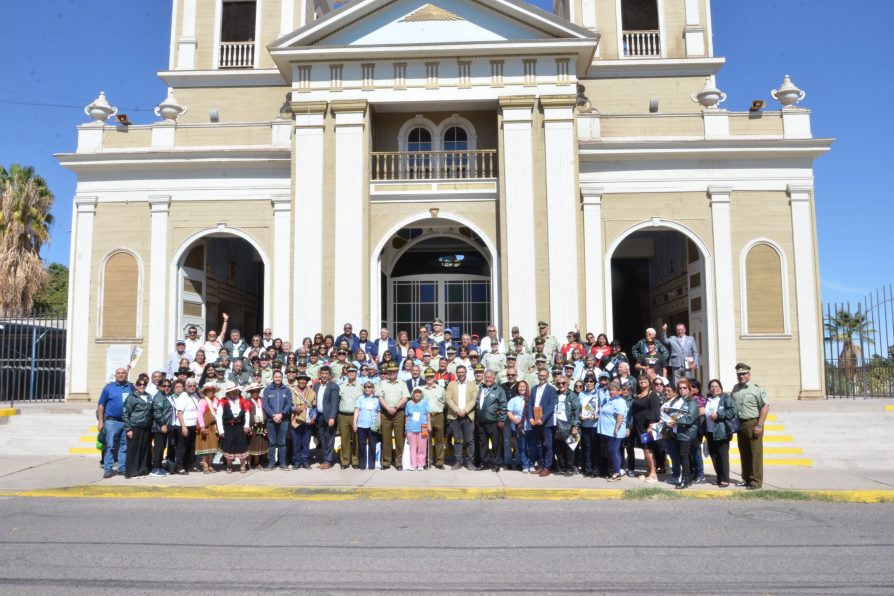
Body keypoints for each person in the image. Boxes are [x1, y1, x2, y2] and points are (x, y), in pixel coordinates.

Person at [731, 363, 769, 490]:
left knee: (755, 453)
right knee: (744, 453)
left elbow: (765, 407)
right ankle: (746, 478)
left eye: (744, 374)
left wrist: (759, 425)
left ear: (749, 375)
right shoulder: (735, 389)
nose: (741, 376)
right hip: (740, 424)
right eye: (739, 374)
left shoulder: (757, 389)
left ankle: (756, 481)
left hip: (753, 423)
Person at [98, 367, 134, 479]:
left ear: (126, 375)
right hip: (112, 422)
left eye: (123, 373)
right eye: (118, 373)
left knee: (124, 447)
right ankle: (108, 469)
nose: (121, 375)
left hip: (126, 422)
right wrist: (100, 421)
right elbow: (101, 405)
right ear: (115, 375)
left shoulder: (131, 387)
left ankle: (122, 468)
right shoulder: (109, 387)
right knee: (110, 446)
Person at [665, 378, 699, 489]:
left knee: (684, 456)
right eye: (680, 388)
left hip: (686, 433)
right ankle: (687, 477)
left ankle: (686, 479)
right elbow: (674, 414)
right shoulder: (677, 400)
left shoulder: (692, 402)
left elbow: (689, 418)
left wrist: (676, 421)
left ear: (689, 389)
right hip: (676, 432)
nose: (682, 390)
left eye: (685, 388)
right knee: (683, 456)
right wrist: (669, 421)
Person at [705, 379, 738, 487]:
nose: (714, 388)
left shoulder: (726, 398)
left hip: (722, 431)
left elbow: (733, 410)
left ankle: (725, 479)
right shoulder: (708, 400)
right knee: (714, 456)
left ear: (721, 387)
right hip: (709, 432)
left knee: (722, 456)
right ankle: (719, 477)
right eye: (712, 387)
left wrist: (719, 415)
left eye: (716, 386)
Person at [378, 363, 410, 470]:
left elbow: (405, 397)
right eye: (390, 371)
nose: (392, 373)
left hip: (399, 412)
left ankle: (399, 462)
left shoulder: (402, 383)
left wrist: (395, 407)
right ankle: (386, 462)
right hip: (386, 413)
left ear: (397, 371)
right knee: (386, 437)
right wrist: (388, 408)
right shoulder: (382, 383)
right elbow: (380, 397)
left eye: (394, 370)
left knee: (399, 438)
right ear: (387, 371)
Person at [630, 374, 662, 482]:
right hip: (638, 426)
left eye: (644, 379)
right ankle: (649, 471)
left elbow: (655, 411)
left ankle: (653, 473)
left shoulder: (652, 395)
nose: (642, 381)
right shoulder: (638, 395)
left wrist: (651, 426)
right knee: (645, 449)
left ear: (649, 381)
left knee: (648, 449)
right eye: (640, 380)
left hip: (646, 427)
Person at [526, 368, 557, 477]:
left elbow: (551, 407)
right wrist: (530, 417)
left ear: (547, 377)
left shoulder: (552, 390)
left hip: (546, 423)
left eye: (544, 375)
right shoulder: (534, 389)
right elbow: (530, 404)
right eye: (540, 375)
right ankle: (541, 465)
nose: (542, 377)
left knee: (548, 445)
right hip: (535, 422)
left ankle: (547, 467)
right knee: (539, 445)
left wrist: (542, 419)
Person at [474, 370, 507, 472]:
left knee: (496, 444)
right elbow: (477, 404)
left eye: (489, 377)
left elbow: (503, 405)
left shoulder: (499, 390)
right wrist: (477, 418)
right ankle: (485, 463)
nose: (487, 379)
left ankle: (497, 463)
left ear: (493, 378)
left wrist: (501, 419)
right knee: (482, 443)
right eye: (486, 377)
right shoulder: (481, 388)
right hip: (481, 421)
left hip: (494, 422)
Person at [446, 364, 477, 470]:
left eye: (463, 372)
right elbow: (448, 399)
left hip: (468, 416)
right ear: (456, 373)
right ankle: (458, 461)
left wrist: (465, 410)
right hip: (455, 416)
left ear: (466, 373)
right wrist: (457, 410)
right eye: (459, 372)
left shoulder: (472, 385)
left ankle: (469, 462)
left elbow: (474, 399)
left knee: (469, 440)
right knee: (458, 440)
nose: (461, 374)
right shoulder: (451, 384)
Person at [597, 380, 629, 482]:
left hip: (614, 432)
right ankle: (618, 469)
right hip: (608, 431)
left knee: (613, 451)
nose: (611, 392)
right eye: (610, 390)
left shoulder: (620, 401)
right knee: (615, 451)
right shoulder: (611, 400)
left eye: (613, 390)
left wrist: (616, 427)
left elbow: (620, 415)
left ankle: (616, 473)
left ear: (619, 391)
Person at [122, 377, 153, 479]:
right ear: (136, 386)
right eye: (139, 384)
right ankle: (132, 472)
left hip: (146, 427)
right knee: (133, 450)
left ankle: (141, 470)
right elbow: (126, 414)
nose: (142, 386)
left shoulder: (148, 396)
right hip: (135, 427)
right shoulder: (131, 397)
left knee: (144, 449)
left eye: (144, 384)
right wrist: (128, 429)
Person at [262, 370, 292, 471]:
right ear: (273, 378)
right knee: (272, 442)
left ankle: (283, 463)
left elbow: (289, 404)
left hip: (284, 420)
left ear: (282, 378)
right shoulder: (268, 389)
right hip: (271, 420)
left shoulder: (286, 390)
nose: (278, 379)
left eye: (279, 377)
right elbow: (265, 405)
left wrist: (281, 414)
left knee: (282, 442)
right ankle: (271, 463)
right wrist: (273, 415)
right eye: (276, 377)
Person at [552, 375, 580, 476]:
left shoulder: (572, 396)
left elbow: (577, 412)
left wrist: (575, 426)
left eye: (563, 383)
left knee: (570, 449)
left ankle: (570, 468)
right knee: (559, 448)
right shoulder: (555, 394)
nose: (561, 385)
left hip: (569, 425)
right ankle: (562, 467)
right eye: (559, 383)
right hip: (557, 424)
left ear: (567, 384)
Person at [313, 366, 340, 469]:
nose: (324, 376)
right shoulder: (316, 386)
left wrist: (332, 417)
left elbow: (335, 404)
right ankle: (325, 459)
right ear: (320, 374)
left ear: (329, 375)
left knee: (329, 439)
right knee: (322, 439)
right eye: (322, 374)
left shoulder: (333, 386)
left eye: (326, 374)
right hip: (319, 416)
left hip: (329, 417)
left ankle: (328, 461)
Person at [288, 372, 316, 470]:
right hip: (295, 419)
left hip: (307, 421)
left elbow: (314, 407)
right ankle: (296, 461)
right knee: (296, 442)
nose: (302, 381)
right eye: (300, 379)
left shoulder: (312, 392)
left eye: (304, 379)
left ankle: (305, 461)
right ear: (297, 380)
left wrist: (314, 417)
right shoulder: (292, 391)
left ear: (307, 381)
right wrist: (293, 409)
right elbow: (287, 405)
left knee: (305, 442)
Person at [421, 367, 447, 469]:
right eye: (427, 376)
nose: (429, 378)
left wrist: (438, 410)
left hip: (438, 416)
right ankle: (428, 461)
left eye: (431, 376)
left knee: (439, 440)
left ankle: (440, 461)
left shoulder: (440, 389)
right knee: (426, 440)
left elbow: (444, 402)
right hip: (425, 417)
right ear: (425, 377)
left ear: (434, 377)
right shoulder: (421, 389)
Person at [337, 364, 362, 469]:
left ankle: (355, 461)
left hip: (356, 415)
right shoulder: (341, 386)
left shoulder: (361, 386)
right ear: (346, 373)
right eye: (349, 371)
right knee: (345, 439)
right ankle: (345, 461)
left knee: (356, 439)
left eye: (353, 371)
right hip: (343, 415)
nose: (351, 373)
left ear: (356, 373)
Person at [173, 378, 200, 475]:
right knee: (182, 447)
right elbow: (179, 413)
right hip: (184, 425)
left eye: (194, 385)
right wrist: (184, 427)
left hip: (193, 426)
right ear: (186, 387)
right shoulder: (183, 396)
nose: (192, 387)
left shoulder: (196, 395)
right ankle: (179, 466)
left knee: (192, 447)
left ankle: (190, 465)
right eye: (190, 386)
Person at [150, 378, 175, 477]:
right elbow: (157, 412)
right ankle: (155, 468)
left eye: (168, 386)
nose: (166, 388)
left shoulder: (168, 396)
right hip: (159, 427)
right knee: (159, 448)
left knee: (162, 447)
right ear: (159, 387)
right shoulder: (159, 396)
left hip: (167, 426)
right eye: (164, 386)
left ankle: (159, 466)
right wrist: (163, 424)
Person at [353, 381, 381, 470]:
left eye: (369, 387)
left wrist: (378, 424)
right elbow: (357, 411)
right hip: (361, 425)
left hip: (372, 425)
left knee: (372, 445)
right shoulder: (360, 399)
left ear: (372, 388)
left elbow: (378, 413)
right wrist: (354, 423)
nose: (367, 389)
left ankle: (371, 464)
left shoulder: (376, 400)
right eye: (365, 387)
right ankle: (362, 464)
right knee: (361, 445)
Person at [505, 380, 530, 472]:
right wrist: (513, 419)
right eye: (520, 387)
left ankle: (530, 464)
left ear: (527, 388)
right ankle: (525, 465)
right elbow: (509, 411)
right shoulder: (513, 400)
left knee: (530, 446)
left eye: (524, 386)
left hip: (530, 426)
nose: (522, 388)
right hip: (518, 426)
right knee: (522, 446)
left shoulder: (531, 398)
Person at [577, 375, 600, 477]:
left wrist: (597, 415)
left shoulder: (599, 393)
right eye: (587, 381)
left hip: (595, 425)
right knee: (587, 448)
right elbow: (578, 408)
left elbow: (603, 408)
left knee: (595, 448)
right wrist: (579, 416)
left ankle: (596, 469)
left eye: (591, 381)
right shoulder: (581, 394)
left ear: (595, 382)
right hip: (585, 425)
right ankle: (588, 469)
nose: (589, 383)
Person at [195, 383, 220, 473]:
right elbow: (200, 414)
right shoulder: (203, 401)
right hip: (205, 426)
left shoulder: (216, 401)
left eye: (212, 390)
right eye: (208, 390)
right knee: (205, 447)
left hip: (213, 426)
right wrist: (202, 426)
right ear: (205, 392)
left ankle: (210, 464)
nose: (210, 392)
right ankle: (205, 465)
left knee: (212, 447)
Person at [405, 388, 431, 471]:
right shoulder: (408, 403)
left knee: (422, 447)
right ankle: (413, 464)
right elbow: (406, 415)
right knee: (412, 447)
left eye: (419, 392)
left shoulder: (425, 402)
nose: (417, 394)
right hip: (411, 427)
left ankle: (421, 464)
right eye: (415, 392)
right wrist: (406, 427)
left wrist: (429, 424)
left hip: (423, 426)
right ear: (412, 394)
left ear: (421, 394)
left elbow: (428, 414)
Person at [245, 382, 268, 470]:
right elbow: (246, 415)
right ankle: (249, 463)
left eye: (257, 391)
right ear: (250, 392)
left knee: (260, 445)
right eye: (253, 391)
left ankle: (257, 463)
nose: (255, 393)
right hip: (252, 426)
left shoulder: (262, 400)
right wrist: (248, 426)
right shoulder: (248, 402)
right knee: (251, 445)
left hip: (262, 426)